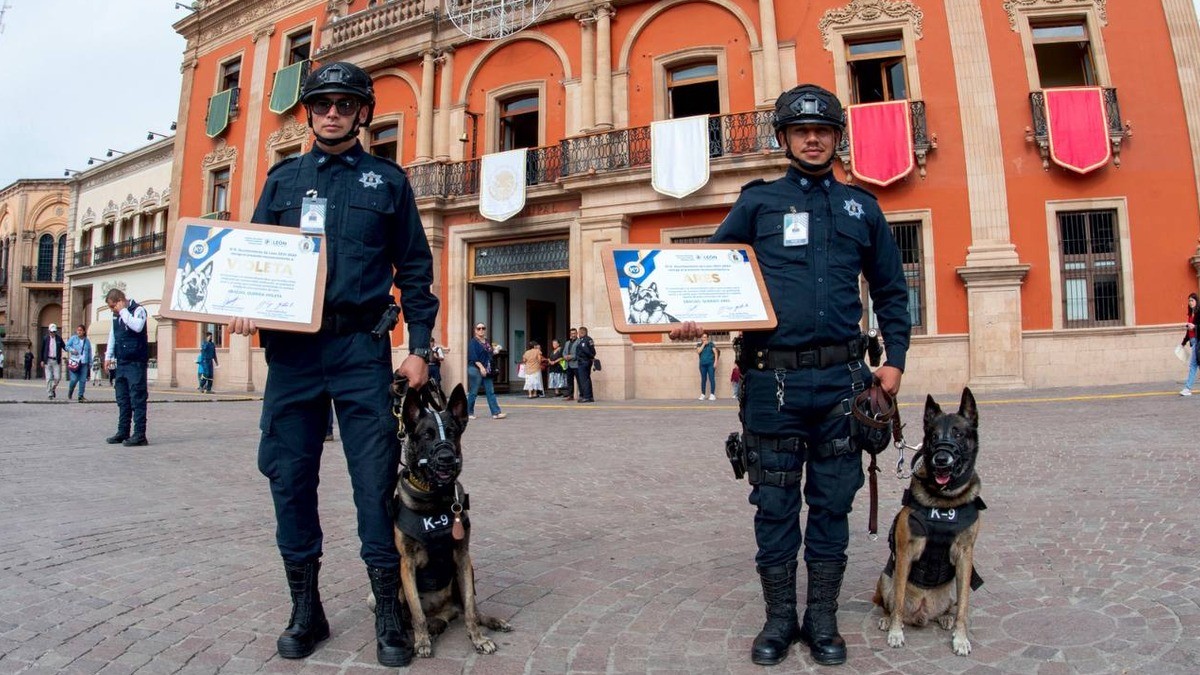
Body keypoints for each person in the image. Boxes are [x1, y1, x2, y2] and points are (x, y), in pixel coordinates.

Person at [672, 83, 911, 667]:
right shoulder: (758, 203)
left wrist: (895, 360)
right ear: (783, 138)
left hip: (841, 385)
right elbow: (711, 273)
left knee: (832, 504)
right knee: (774, 505)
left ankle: (821, 618)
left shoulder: (864, 209)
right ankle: (780, 618)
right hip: (770, 385)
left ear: (835, 138)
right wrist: (690, 317)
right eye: (801, 130)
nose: (812, 138)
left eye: (823, 130)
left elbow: (891, 291)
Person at [225, 62, 439, 668]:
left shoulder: (387, 183)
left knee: (373, 481)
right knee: (288, 477)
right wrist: (241, 305)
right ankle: (306, 608)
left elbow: (416, 270)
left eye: (347, 104)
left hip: (359, 350)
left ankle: (388, 608)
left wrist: (418, 346)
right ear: (309, 113)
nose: (333, 113)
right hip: (292, 355)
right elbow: (252, 255)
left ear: (362, 113)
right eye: (323, 104)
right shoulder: (282, 180)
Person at [104, 289, 151, 446]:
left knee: (137, 398)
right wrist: (108, 356)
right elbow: (113, 335)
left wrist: (123, 310)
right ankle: (123, 431)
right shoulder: (116, 315)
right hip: (122, 362)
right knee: (123, 399)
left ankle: (140, 435)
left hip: (136, 362)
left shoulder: (138, 310)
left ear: (119, 301)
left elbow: (137, 326)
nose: (112, 310)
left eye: (113, 306)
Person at [467, 322, 507, 419]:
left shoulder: (487, 342)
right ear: (475, 330)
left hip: (487, 369)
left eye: (483, 328)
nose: (481, 330)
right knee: (474, 392)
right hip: (475, 368)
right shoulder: (473, 342)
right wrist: (481, 368)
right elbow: (473, 357)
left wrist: (495, 351)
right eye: (479, 328)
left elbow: (489, 355)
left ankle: (496, 413)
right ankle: (468, 413)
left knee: (490, 391)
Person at [66, 324, 93, 402]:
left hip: (84, 363)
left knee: (82, 380)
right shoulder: (73, 338)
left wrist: (90, 363)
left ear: (84, 331)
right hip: (75, 362)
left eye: (81, 330)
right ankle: (70, 391)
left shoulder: (87, 341)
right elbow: (66, 346)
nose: (79, 332)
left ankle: (80, 396)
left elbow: (90, 352)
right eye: (78, 330)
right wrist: (72, 350)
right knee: (74, 379)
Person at [40, 323, 67, 400]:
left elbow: (64, 347)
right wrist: (42, 360)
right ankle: (50, 394)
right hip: (47, 360)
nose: (53, 333)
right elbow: (42, 350)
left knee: (57, 378)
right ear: (49, 331)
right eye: (51, 332)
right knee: (48, 378)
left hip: (56, 361)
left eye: (54, 332)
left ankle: (52, 389)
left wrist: (71, 350)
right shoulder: (45, 338)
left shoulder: (59, 339)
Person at [574, 326, 596, 403]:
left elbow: (586, 351)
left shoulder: (584, 340)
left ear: (582, 332)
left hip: (583, 362)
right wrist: (591, 356)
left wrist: (589, 356)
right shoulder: (589, 339)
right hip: (586, 361)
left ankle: (587, 397)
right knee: (587, 379)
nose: (578, 334)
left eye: (579, 332)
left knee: (584, 380)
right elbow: (593, 351)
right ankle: (589, 396)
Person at [1182, 293, 1198, 396]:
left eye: (1192, 300)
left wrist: (1195, 327)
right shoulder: (1190, 313)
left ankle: (1187, 388)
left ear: (1196, 301)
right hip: (1193, 340)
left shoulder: (1199, 313)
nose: (1190, 302)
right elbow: (1189, 332)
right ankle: (1187, 388)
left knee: (1193, 364)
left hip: (1198, 340)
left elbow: (1196, 327)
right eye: (1189, 301)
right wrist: (1183, 342)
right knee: (1196, 364)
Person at [696, 332, 720, 401]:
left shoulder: (711, 344)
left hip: (710, 364)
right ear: (701, 338)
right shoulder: (699, 344)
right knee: (703, 379)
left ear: (707, 338)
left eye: (705, 337)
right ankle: (703, 394)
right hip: (702, 365)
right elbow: (698, 352)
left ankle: (712, 394)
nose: (704, 338)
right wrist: (703, 344)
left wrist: (715, 362)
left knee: (711, 378)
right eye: (703, 337)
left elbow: (715, 353)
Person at [561, 328, 579, 400]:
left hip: (576, 364)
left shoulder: (579, 342)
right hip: (568, 365)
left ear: (577, 334)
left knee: (579, 380)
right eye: (572, 334)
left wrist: (572, 357)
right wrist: (565, 356)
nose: (573, 335)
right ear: (570, 334)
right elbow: (564, 352)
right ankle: (570, 395)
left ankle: (582, 395)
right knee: (569, 381)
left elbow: (579, 353)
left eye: (574, 333)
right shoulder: (567, 342)